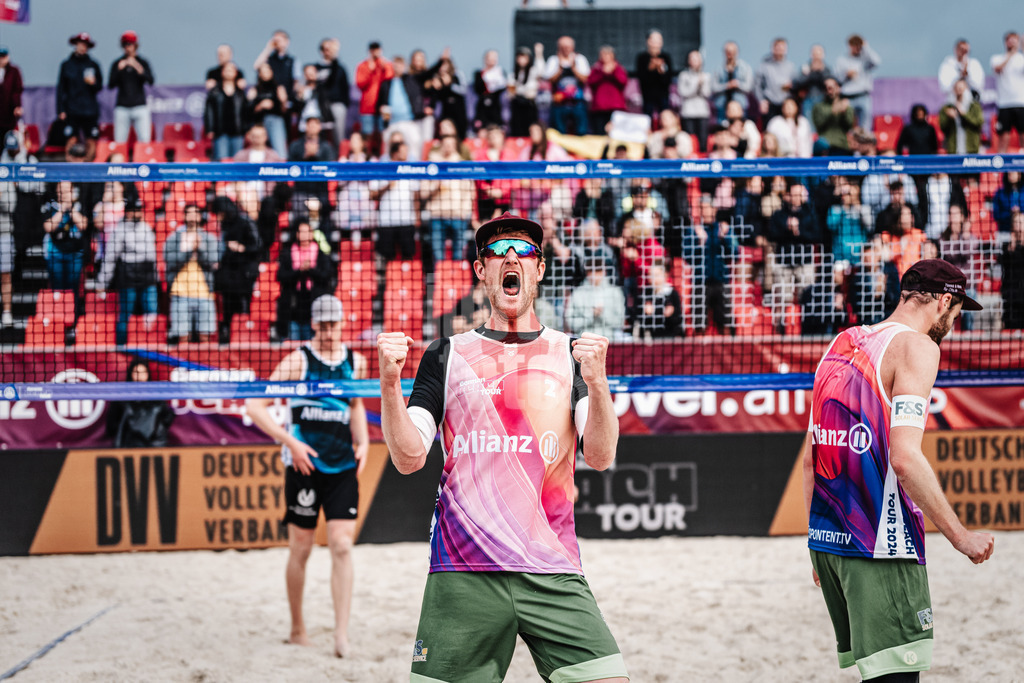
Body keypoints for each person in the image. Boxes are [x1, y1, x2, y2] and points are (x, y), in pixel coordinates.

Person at [377, 212, 629, 682]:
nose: (510, 257)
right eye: (496, 251)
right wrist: (389, 386)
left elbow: (600, 455)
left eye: (524, 250)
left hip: (550, 567)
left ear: (540, 269)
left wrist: (598, 385)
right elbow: (409, 457)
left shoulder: (570, 353)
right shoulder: (445, 354)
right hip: (463, 567)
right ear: (481, 270)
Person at [803, 258, 993, 681]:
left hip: (828, 541)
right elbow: (904, 458)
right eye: (957, 312)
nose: (954, 322)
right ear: (943, 301)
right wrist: (961, 537)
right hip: (880, 545)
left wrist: (816, 543)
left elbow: (810, 457)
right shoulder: (918, 347)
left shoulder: (843, 342)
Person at [246, 294, 369, 659]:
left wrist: (363, 441)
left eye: (335, 325)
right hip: (304, 467)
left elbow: (356, 404)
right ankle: (297, 629)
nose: (329, 332)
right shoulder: (298, 360)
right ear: (314, 324)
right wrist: (291, 443)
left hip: (342, 465)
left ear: (343, 324)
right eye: (323, 326)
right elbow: (254, 406)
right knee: (300, 548)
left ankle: (341, 634)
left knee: (342, 545)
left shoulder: (355, 361)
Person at [96, 196, 158, 346]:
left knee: (152, 314)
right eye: (134, 210)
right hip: (128, 276)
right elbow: (110, 257)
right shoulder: (120, 230)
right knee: (125, 315)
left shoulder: (146, 228)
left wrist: (156, 276)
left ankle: (151, 347)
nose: (138, 213)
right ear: (128, 212)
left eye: (139, 210)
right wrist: (102, 282)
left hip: (148, 276)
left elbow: (153, 255)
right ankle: (121, 347)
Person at [163, 204, 218, 345]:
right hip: (180, 293)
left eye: (196, 213)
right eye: (189, 213)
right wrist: (189, 251)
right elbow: (170, 262)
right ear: (184, 216)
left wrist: (199, 249)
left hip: (204, 293)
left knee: (205, 337)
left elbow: (212, 263)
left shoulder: (209, 238)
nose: (193, 216)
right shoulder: (174, 238)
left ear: (200, 216)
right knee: (183, 338)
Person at [211, 195, 261, 344]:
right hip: (228, 278)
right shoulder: (223, 225)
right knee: (227, 310)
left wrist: (241, 248)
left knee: (242, 311)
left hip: (244, 277)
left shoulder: (245, 221)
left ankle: (243, 338)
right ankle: (227, 335)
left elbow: (258, 246)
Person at [276, 218, 333, 341]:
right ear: (297, 234)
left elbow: (326, 276)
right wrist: (299, 271)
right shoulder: (287, 253)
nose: (304, 235)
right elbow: (280, 276)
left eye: (307, 232)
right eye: (301, 232)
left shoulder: (321, 254)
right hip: (293, 308)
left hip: (313, 308)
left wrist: (310, 269)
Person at [106, 359, 176, 448]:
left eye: (142, 372)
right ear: (131, 374)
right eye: (136, 372)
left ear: (147, 374)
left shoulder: (157, 398)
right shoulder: (121, 398)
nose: (139, 376)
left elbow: (165, 420)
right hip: (127, 447)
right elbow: (111, 426)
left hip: (153, 447)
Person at [56, 33, 103, 158]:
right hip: (72, 109)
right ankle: (71, 168)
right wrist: (60, 109)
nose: (83, 47)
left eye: (85, 45)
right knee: (71, 139)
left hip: (90, 110)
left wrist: (93, 83)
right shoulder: (67, 65)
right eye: (80, 44)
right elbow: (61, 89)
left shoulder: (93, 65)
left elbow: (99, 87)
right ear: (75, 45)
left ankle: (89, 168)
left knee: (91, 140)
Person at [108, 31, 154, 144]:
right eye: (125, 44)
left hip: (140, 105)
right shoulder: (117, 63)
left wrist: (138, 68)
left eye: (130, 44)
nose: (128, 47)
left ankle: (142, 157)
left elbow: (151, 81)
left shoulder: (142, 62)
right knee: (120, 141)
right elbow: (110, 85)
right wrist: (119, 70)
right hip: (122, 106)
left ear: (135, 45)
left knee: (144, 140)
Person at [566, 260, 626, 339]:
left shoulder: (615, 292)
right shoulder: (577, 293)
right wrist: (591, 315)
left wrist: (602, 314)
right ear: (587, 273)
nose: (595, 275)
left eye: (598, 271)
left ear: (604, 272)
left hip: (610, 339)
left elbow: (620, 322)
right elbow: (570, 323)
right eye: (592, 272)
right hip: (584, 339)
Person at [544, 35, 591, 135]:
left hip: (577, 103)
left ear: (572, 47)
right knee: (559, 132)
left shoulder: (580, 59)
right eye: (563, 47)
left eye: (567, 46)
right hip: (559, 103)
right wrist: (560, 67)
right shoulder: (553, 60)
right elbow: (550, 79)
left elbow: (585, 79)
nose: (565, 49)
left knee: (581, 131)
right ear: (559, 47)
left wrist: (574, 68)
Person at [835, 34, 881, 131]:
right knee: (847, 125)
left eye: (859, 45)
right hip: (847, 98)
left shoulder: (865, 59)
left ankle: (863, 140)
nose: (857, 47)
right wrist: (846, 75)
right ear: (849, 45)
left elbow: (877, 62)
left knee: (865, 126)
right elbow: (837, 79)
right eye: (854, 45)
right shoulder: (842, 60)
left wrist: (866, 46)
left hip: (863, 96)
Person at [204, 62, 247, 161]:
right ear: (222, 72)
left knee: (237, 160)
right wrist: (210, 128)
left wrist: (246, 129)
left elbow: (245, 112)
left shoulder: (240, 92)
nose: (229, 72)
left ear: (236, 73)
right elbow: (209, 111)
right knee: (222, 160)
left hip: (237, 132)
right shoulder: (215, 91)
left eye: (231, 70)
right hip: (220, 132)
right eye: (226, 70)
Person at [990, 31, 1024, 153]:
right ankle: (1002, 162)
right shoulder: (997, 58)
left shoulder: (1021, 59)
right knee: (1004, 136)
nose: (1012, 43)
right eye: (1010, 40)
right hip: (1004, 103)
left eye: (1015, 40)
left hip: (1021, 102)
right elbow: (998, 68)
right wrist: (1010, 55)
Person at [248, 62, 290, 158]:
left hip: (275, 120)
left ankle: (281, 164)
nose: (265, 73)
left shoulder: (278, 88)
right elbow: (249, 111)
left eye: (267, 70)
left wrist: (284, 101)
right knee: (258, 152)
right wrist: (260, 106)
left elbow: (284, 111)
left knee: (280, 152)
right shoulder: (255, 89)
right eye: (263, 71)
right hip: (259, 123)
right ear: (259, 74)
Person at [355, 41, 394, 140]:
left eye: (377, 50)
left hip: (383, 106)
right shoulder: (363, 66)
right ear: (369, 51)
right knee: (367, 134)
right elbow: (360, 84)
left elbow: (390, 79)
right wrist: (370, 70)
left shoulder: (386, 65)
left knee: (383, 134)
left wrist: (384, 67)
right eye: (373, 50)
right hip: (367, 107)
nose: (375, 53)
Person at [253, 30, 299, 111]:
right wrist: (268, 48)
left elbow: (296, 81)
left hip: (287, 101)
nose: (277, 43)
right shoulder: (269, 59)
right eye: (275, 40)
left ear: (287, 42)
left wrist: (291, 98)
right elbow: (257, 66)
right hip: (270, 100)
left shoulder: (293, 61)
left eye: (279, 40)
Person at [586, 45, 628, 134]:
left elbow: (623, 82)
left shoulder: (619, 68)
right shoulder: (596, 69)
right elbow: (590, 82)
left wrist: (613, 71)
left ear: (612, 56)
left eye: (607, 54)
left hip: (616, 107)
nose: (605, 57)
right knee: (599, 133)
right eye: (603, 54)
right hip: (599, 107)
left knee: (617, 133)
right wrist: (602, 72)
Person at [317, 38, 350, 145]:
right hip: (321, 105)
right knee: (321, 134)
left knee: (338, 135)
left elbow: (345, 88)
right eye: (326, 49)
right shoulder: (316, 68)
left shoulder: (339, 68)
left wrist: (344, 104)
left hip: (337, 104)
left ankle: (339, 154)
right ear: (321, 51)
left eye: (331, 49)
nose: (329, 52)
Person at [754, 38, 796, 122]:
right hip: (770, 104)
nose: (780, 50)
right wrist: (761, 101)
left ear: (786, 49)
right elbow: (757, 85)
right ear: (773, 49)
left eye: (782, 48)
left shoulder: (791, 67)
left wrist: (791, 86)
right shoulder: (764, 66)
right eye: (777, 47)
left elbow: (795, 85)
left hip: (785, 104)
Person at [677, 50, 712, 152]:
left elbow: (707, 93)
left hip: (702, 112)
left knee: (703, 140)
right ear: (688, 61)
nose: (695, 61)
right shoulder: (683, 75)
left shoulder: (706, 76)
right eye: (692, 59)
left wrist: (701, 84)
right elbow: (683, 92)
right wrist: (697, 84)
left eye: (697, 59)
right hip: (688, 112)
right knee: (690, 140)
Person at [938, 79, 984, 155]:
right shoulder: (947, 107)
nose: (959, 91)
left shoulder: (974, 106)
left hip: (971, 148)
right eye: (957, 88)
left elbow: (979, 123)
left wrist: (964, 114)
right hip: (953, 149)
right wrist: (949, 118)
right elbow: (943, 127)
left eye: (961, 88)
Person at [635, 30, 673, 120]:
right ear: (648, 41)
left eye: (659, 40)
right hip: (648, 95)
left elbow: (668, 79)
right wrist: (650, 68)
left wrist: (661, 69)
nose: (656, 43)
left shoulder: (666, 57)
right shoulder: (642, 58)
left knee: (665, 117)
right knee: (647, 119)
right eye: (654, 40)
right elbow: (641, 78)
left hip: (663, 94)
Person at [812, 77, 855, 155]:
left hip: (842, 146)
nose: (829, 91)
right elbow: (819, 125)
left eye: (832, 88)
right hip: (825, 147)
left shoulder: (846, 106)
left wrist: (844, 113)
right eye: (826, 88)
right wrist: (832, 112)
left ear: (838, 88)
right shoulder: (818, 107)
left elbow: (849, 125)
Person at [711, 41, 753, 118]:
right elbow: (714, 87)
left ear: (737, 52)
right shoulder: (718, 69)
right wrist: (727, 85)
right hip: (722, 106)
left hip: (740, 105)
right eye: (728, 52)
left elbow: (748, 87)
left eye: (732, 52)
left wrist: (737, 84)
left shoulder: (745, 68)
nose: (730, 54)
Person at [508, 45, 542, 137]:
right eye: (520, 57)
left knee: (531, 129)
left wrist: (539, 54)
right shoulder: (513, 73)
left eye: (524, 57)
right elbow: (511, 91)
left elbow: (541, 70)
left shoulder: (533, 71)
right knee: (517, 129)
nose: (522, 60)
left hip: (529, 104)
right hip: (517, 104)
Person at [794, 44, 832, 122]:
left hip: (823, 100)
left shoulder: (827, 69)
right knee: (808, 122)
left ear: (823, 55)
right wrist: (811, 72)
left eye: (819, 54)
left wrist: (821, 71)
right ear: (811, 55)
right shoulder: (805, 67)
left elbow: (829, 84)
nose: (817, 57)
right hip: (808, 100)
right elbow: (798, 82)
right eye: (815, 54)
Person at [472, 49, 507, 131]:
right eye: (490, 57)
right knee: (481, 130)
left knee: (496, 129)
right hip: (482, 107)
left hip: (495, 107)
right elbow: (478, 89)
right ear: (485, 59)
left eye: (495, 57)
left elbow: (504, 89)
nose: (492, 59)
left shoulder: (501, 72)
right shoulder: (479, 73)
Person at [1001, 213, 1024, 329]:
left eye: (1022, 222)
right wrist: (1012, 246)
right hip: (1011, 297)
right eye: (1017, 222)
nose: (1019, 225)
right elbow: (1005, 263)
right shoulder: (1006, 247)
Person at [0, 47, 24, 144]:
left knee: (8, 138)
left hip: (8, 113)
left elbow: (17, 90)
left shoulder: (14, 71)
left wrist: (17, 106)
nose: (1, 59)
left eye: (3, 57)